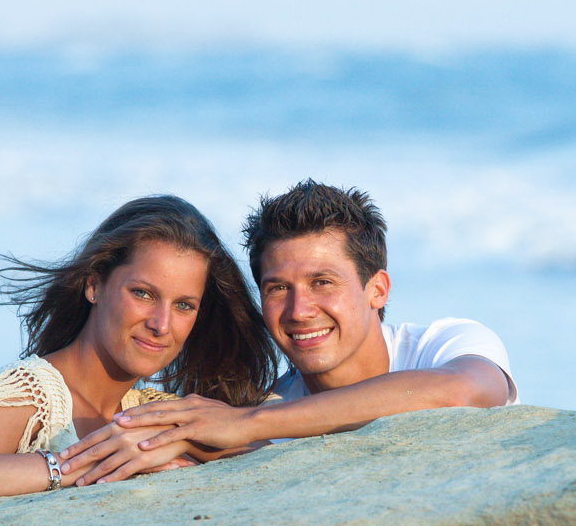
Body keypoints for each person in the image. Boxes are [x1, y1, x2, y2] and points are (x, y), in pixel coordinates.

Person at [0, 195, 278, 516]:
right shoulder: (38, 395)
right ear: (94, 285)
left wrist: (181, 439)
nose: (162, 324)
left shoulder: (147, 408)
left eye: (184, 306)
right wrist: (81, 465)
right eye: (143, 293)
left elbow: (271, 458)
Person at [81, 180, 515, 456]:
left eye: (323, 282)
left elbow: (463, 391)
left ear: (377, 288)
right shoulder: (269, 408)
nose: (299, 311)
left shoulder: (441, 346)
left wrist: (247, 423)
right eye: (278, 288)